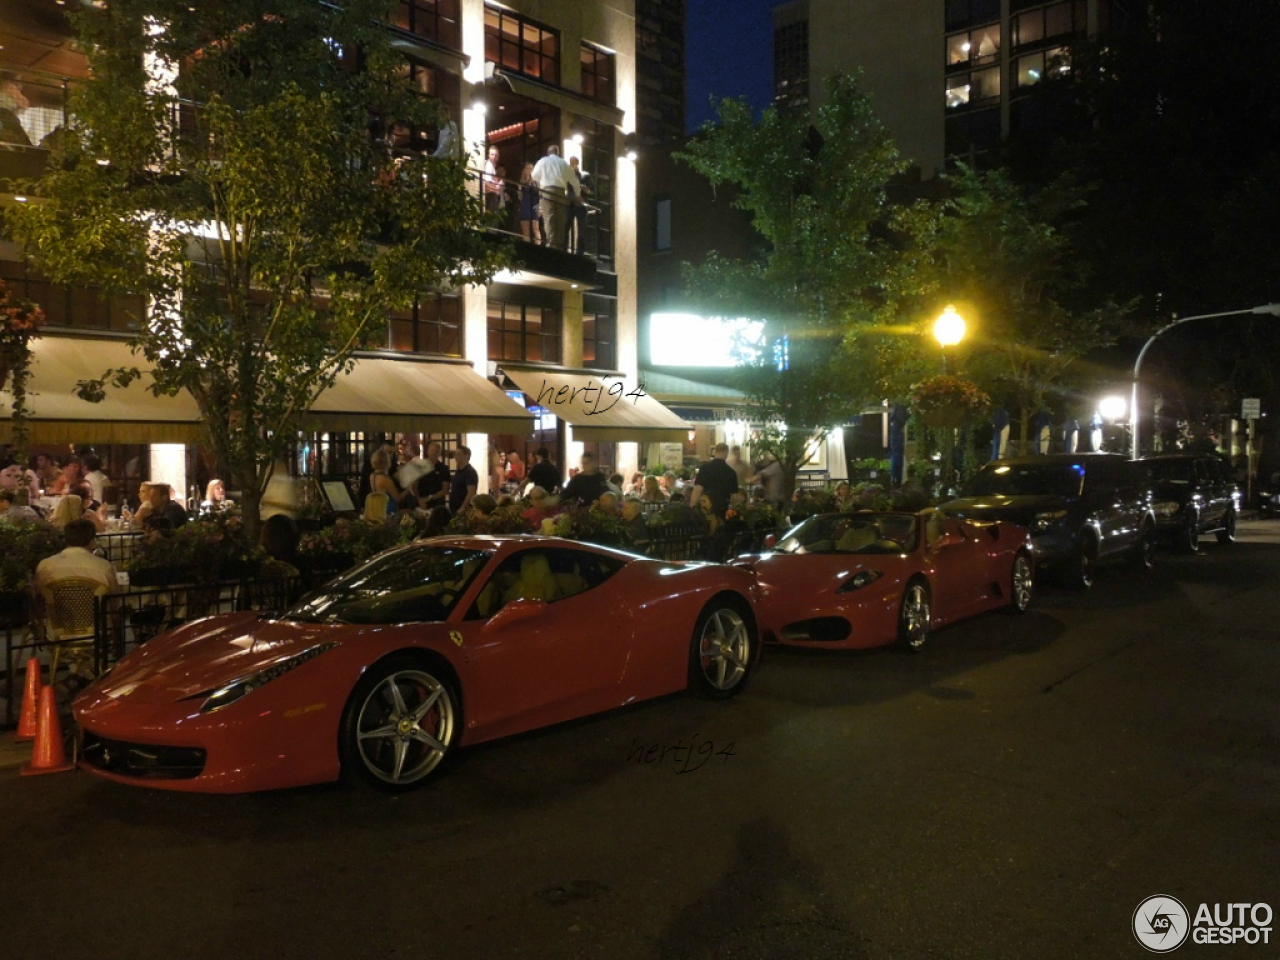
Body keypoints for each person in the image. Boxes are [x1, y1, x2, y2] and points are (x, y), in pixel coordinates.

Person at [35, 518, 120, 598]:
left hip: (55, 613)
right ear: (92, 541)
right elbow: (114, 599)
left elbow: (38, 596)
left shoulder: (44, 566)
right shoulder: (104, 567)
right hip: (94, 613)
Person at [531, 144, 572, 250]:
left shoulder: (543, 161)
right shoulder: (563, 163)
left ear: (548, 152)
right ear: (557, 152)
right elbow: (570, 177)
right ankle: (559, 245)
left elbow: (534, 175)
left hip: (547, 190)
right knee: (560, 219)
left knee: (549, 217)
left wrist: (540, 183)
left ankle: (551, 245)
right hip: (561, 191)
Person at [688, 443, 739, 519]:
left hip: (706, 507)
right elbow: (734, 497)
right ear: (726, 453)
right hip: (723, 508)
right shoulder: (731, 472)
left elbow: (698, 490)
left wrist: (692, 507)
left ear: (715, 452)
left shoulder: (705, 468)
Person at [566, 155, 591, 255]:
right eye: (571, 163)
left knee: (581, 229)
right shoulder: (568, 175)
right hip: (570, 204)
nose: (572, 165)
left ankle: (580, 252)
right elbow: (567, 189)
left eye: (574, 163)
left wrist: (584, 189)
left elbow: (590, 190)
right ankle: (565, 248)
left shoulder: (585, 175)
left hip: (581, 205)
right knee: (566, 227)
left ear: (577, 163)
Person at [416, 440, 452, 508]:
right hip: (421, 503)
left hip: (438, 504)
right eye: (431, 450)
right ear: (427, 452)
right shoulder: (420, 467)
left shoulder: (443, 469)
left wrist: (429, 498)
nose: (433, 453)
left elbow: (445, 489)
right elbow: (415, 486)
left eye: (436, 451)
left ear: (439, 453)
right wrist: (419, 500)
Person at [448, 445, 479, 515]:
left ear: (467, 456)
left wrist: (462, 508)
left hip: (463, 512)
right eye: (455, 454)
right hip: (455, 509)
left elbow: (471, 492)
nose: (455, 457)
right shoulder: (458, 471)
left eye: (458, 454)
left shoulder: (469, 472)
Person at [518, 162, 542, 243]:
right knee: (525, 230)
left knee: (536, 229)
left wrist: (540, 208)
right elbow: (519, 195)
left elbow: (541, 195)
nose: (529, 171)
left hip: (535, 205)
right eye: (527, 168)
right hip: (525, 204)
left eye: (531, 169)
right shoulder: (521, 182)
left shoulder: (536, 182)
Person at [483, 145, 504, 213]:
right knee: (491, 218)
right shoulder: (489, 165)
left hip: (492, 195)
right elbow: (487, 181)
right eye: (492, 154)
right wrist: (498, 184)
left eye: (496, 155)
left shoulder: (492, 166)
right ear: (488, 155)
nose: (494, 157)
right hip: (490, 195)